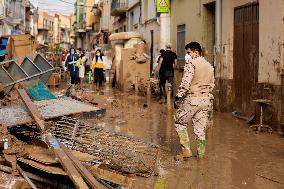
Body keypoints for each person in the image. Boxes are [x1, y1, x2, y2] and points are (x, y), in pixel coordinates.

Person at [174, 42, 214, 160]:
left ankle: (186, 151)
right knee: (200, 129)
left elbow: (186, 82)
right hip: (206, 100)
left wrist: (179, 96)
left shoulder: (191, 63)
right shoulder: (209, 66)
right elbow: (212, 85)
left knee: (179, 122)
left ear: (196, 53)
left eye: (188, 52)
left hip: (192, 99)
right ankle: (201, 155)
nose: (187, 55)